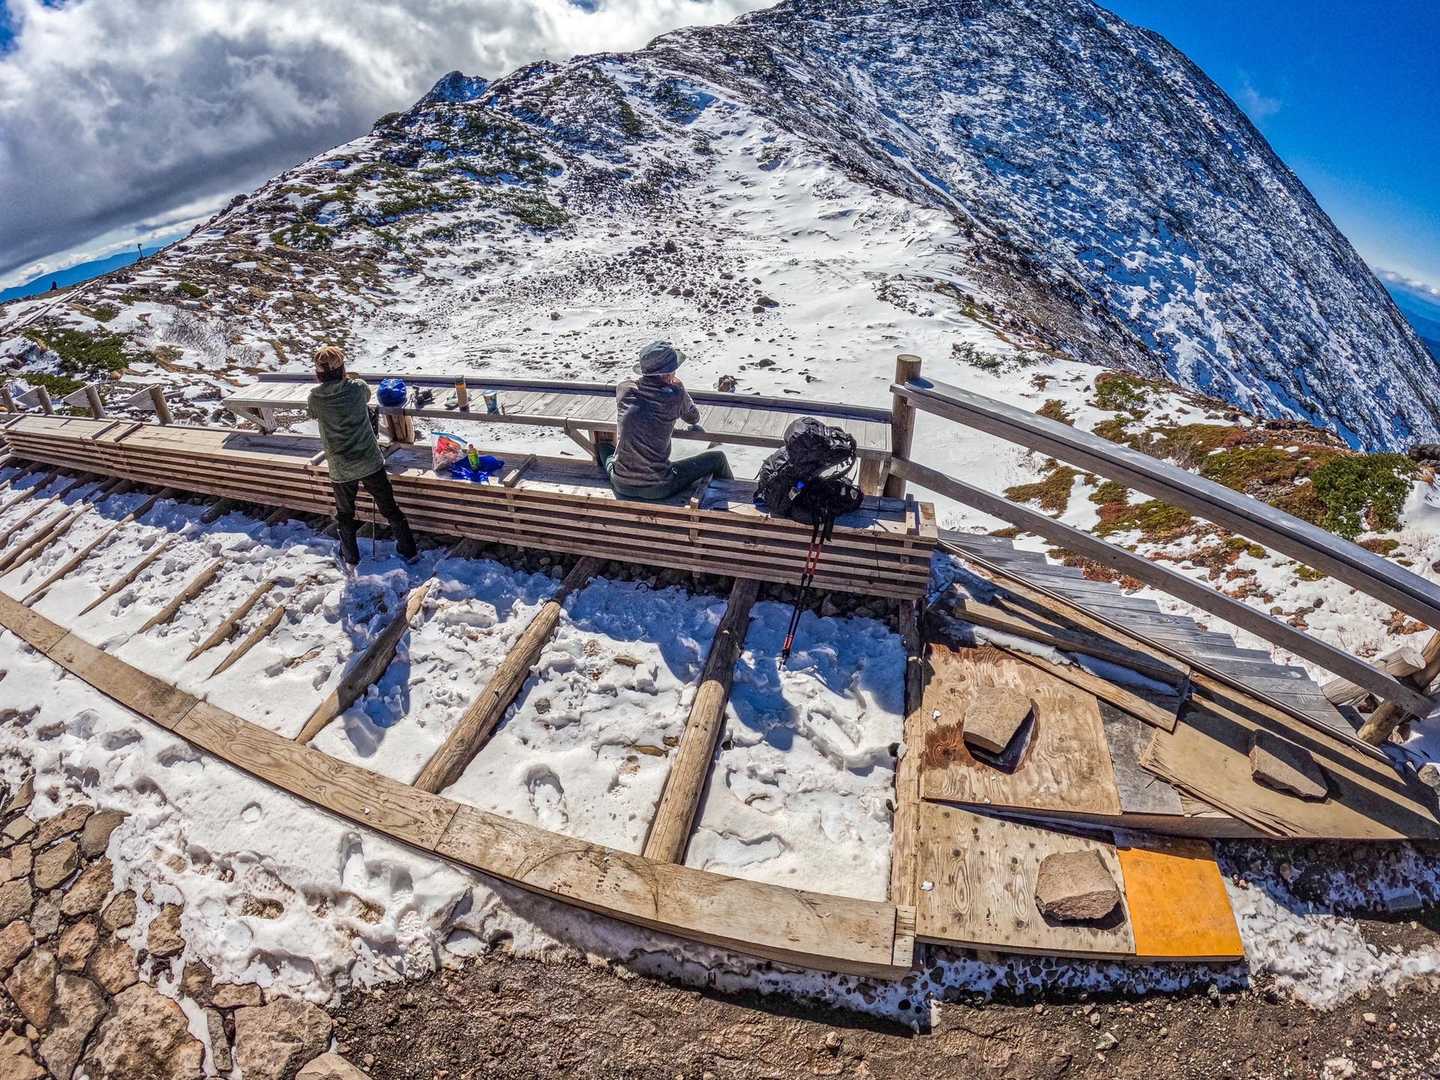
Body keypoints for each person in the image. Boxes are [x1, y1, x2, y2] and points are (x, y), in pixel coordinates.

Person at [306, 345, 418, 569]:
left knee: (345, 515)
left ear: (319, 374)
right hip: (369, 461)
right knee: (390, 508)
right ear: (342, 369)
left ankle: (351, 558)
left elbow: (312, 414)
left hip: (340, 466)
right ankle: (409, 550)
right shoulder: (358, 388)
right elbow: (365, 394)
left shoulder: (315, 398)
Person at [599, 341, 733, 500]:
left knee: (603, 447)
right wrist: (680, 387)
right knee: (718, 458)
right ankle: (732, 497)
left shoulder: (624, 388)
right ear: (669, 374)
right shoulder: (674, 394)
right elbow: (693, 418)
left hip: (620, 483)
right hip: (657, 486)